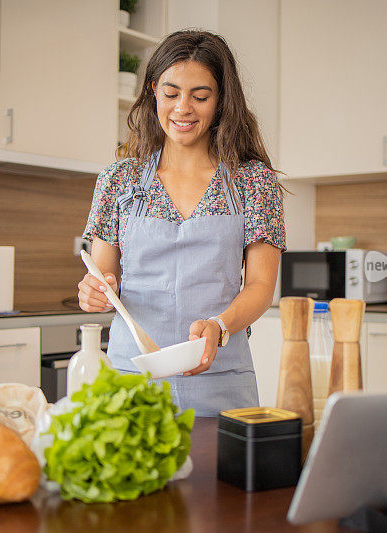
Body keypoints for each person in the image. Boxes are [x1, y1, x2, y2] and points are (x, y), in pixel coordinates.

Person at [78, 30, 285, 416]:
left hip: (221, 383)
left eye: (200, 96)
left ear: (222, 99)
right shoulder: (118, 179)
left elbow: (260, 285)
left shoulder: (254, 181)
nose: (182, 109)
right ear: (154, 90)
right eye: (171, 94)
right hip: (132, 383)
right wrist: (94, 292)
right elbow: (104, 277)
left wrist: (219, 326)